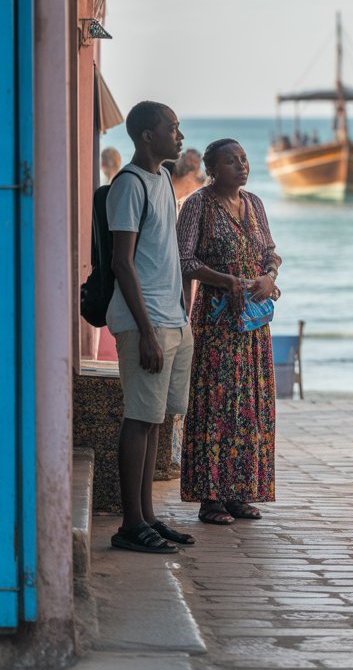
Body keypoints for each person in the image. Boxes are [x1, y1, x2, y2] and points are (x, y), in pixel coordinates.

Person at [177, 138, 282, 526]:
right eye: (231, 161)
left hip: (253, 325)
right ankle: (211, 498)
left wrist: (269, 277)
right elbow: (184, 259)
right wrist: (225, 279)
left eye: (243, 158)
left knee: (250, 406)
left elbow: (270, 251)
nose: (241, 165)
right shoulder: (197, 206)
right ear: (213, 169)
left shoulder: (254, 204)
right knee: (215, 405)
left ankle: (240, 493)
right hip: (216, 322)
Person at [107, 101, 195, 554]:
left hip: (173, 319)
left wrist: (181, 312)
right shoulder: (129, 184)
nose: (178, 136)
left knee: (157, 419)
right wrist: (144, 329)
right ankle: (129, 524)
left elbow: (165, 255)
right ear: (147, 135)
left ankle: (148, 517)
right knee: (139, 418)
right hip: (146, 321)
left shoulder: (162, 179)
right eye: (172, 128)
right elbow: (123, 263)